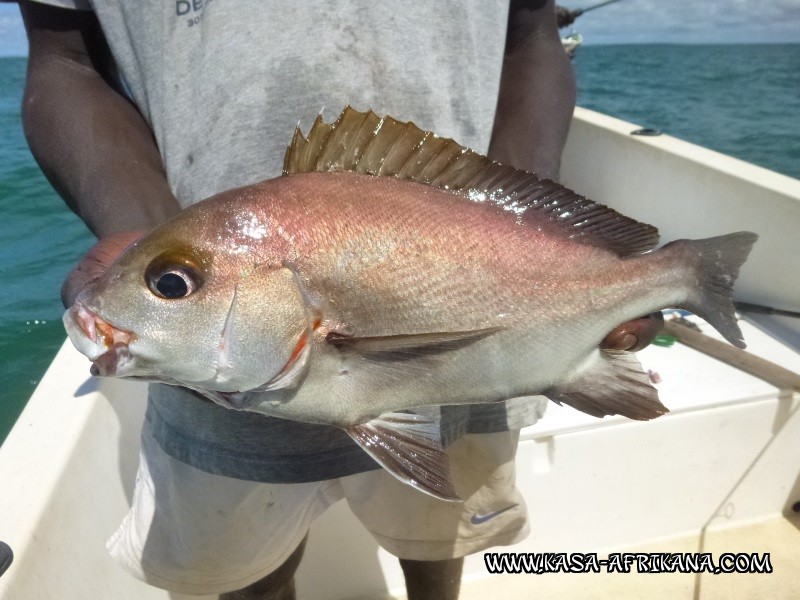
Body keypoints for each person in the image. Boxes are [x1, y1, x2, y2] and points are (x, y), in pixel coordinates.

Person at [18, 0, 662, 598]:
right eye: (172, 285)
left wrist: (532, 254)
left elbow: (530, 29)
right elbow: (64, 59)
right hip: (226, 360)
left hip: (483, 346)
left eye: (171, 286)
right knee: (249, 572)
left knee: (441, 537)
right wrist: (143, 238)